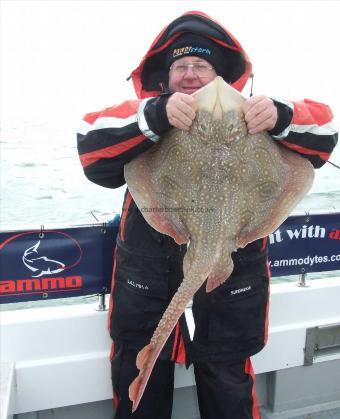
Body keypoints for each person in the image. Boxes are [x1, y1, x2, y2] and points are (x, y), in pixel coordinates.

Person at [77, 11, 338, 419]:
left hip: (234, 278)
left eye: (202, 65)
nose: (192, 74)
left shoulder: (258, 115)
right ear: (166, 78)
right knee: (140, 389)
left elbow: (325, 132)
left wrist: (280, 117)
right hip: (147, 282)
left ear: (222, 77)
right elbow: (91, 145)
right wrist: (156, 117)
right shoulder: (144, 118)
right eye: (181, 66)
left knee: (228, 385)